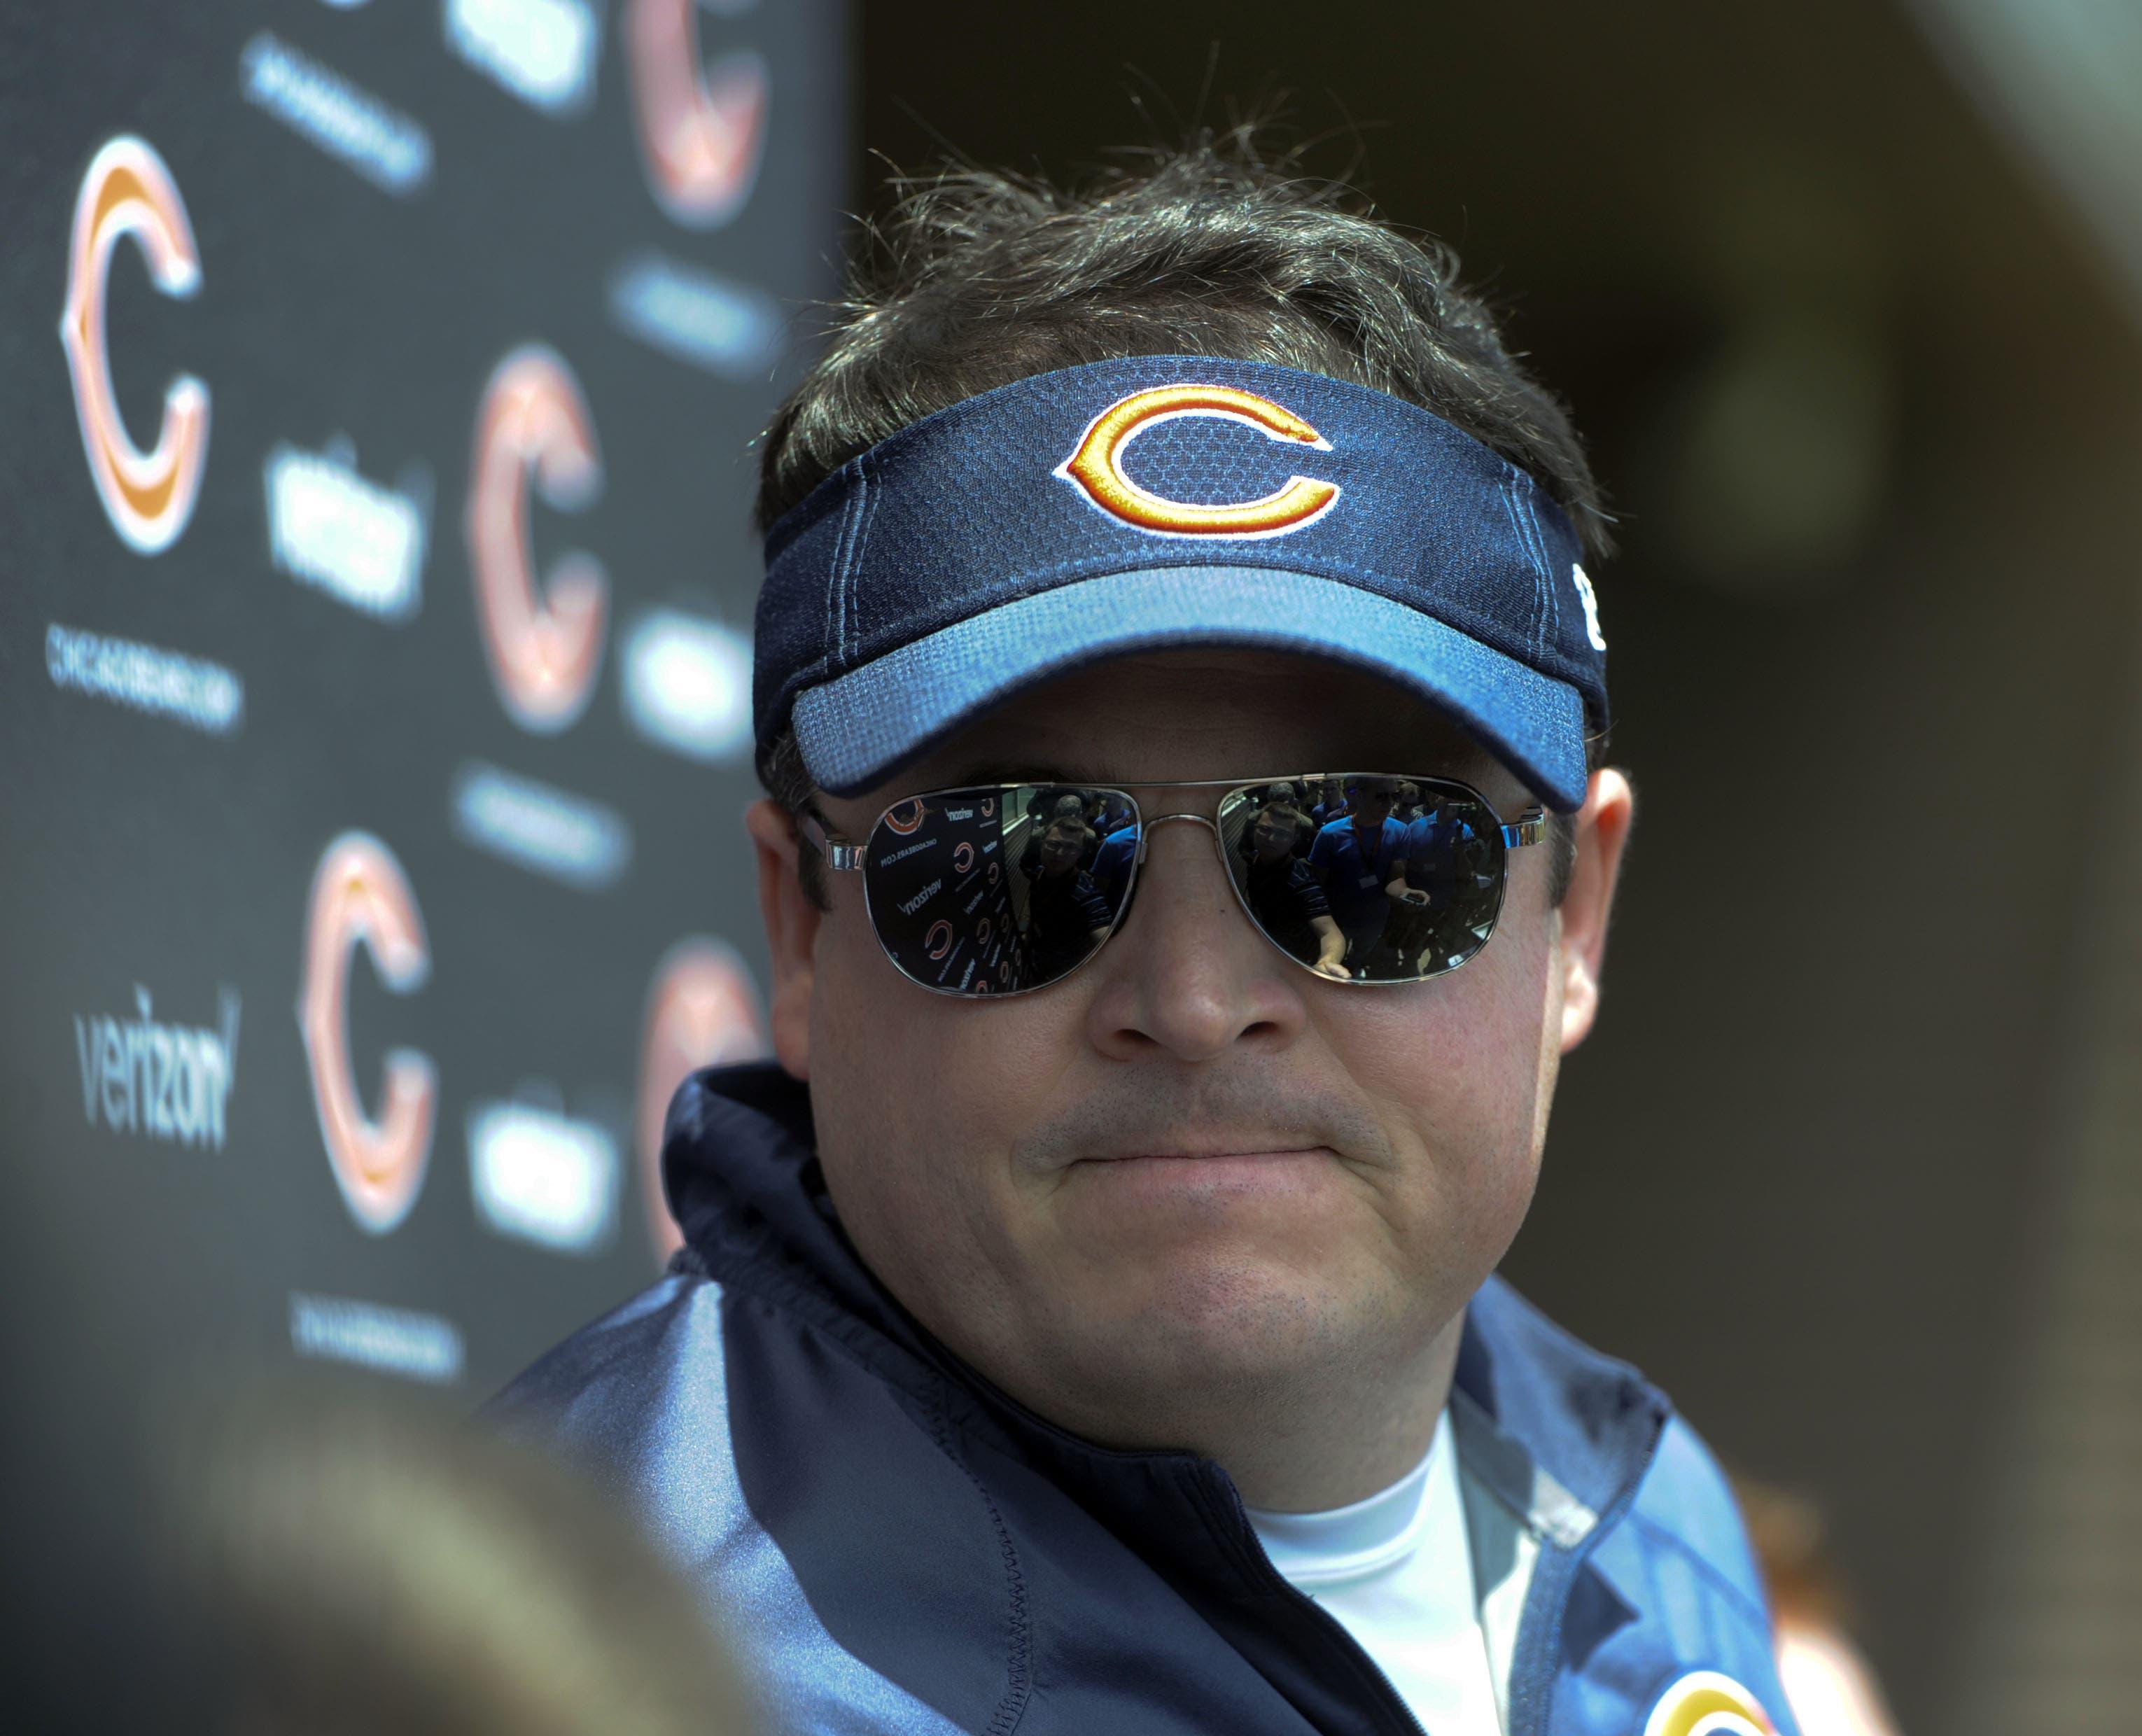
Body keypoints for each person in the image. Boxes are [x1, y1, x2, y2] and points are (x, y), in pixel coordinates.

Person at [491, 135, 1801, 1736]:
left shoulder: (1653, 1529)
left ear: (1574, 915)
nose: (1190, 1002)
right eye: (1011, 864)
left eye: (1365, 854)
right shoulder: (569, 1674)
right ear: (802, 930)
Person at [1238, 797, 1350, 979]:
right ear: (1254, 830)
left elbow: (1330, 933)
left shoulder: (1301, 881)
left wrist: (1327, 962)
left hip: (1293, 958)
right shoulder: (1255, 859)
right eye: (1265, 830)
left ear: (1293, 840)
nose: (1271, 839)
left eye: (1282, 834)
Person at [1306, 776, 1410, 969]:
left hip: (1376, 916)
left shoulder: (1400, 831)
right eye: (1381, 796)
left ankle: (1355, 967)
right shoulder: (1330, 834)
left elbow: (1396, 878)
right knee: (1336, 953)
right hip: (1339, 915)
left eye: (1394, 796)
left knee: (1361, 953)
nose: (1389, 803)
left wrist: (1404, 893)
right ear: (1360, 795)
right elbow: (1318, 883)